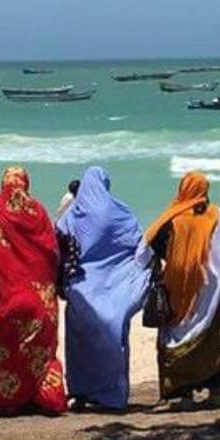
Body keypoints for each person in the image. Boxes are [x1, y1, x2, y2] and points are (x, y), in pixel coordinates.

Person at [0, 166, 67, 416]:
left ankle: (10, 401)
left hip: (7, 302)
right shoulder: (38, 212)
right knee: (40, 354)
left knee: (6, 353)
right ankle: (40, 398)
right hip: (39, 303)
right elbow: (52, 252)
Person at [55, 166, 151, 412]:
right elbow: (138, 246)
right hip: (116, 290)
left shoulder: (71, 216)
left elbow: (59, 247)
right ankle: (112, 395)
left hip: (81, 290)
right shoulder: (121, 212)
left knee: (79, 344)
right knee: (114, 340)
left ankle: (82, 392)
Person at [146, 171, 220, 410]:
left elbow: (152, 247)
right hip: (214, 292)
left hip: (180, 292)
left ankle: (185, 396)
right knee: (214, 337)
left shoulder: (172, 218)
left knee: (176, 338)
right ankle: (216, 394)